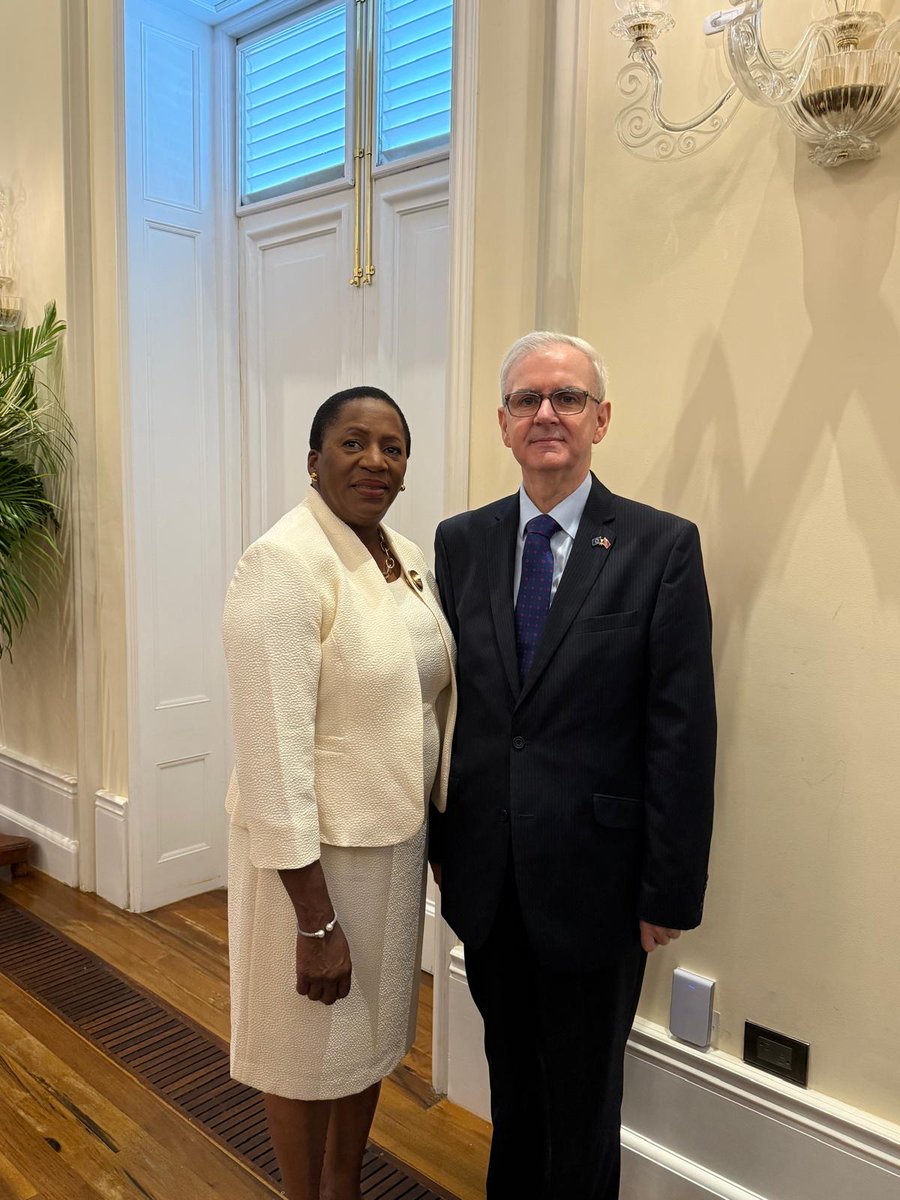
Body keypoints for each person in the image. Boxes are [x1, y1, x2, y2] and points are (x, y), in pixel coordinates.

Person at [429, 332, 716, 1200]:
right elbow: (451, 711)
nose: (546, 414)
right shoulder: (460, 542)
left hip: (600, 884)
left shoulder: (659, 547)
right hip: (488, 876)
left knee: (583, 1103)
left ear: (601, 418)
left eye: (566, 398)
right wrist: (443, 841)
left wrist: (668, 890)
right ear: (504, 426)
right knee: (510, 1085)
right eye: (527, 399)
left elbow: (682, 727)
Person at [222, 386, 456, 1200]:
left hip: (391, 846)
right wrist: (313, 918)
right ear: (313, 460)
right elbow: (270, 757)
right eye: (353, 443)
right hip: (314, 864)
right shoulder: (283, 564)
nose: (375, 461)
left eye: (392, 447)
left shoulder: (404, 554)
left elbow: (424, 699)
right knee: (302, 1046)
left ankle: (344, 1184)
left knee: (365, 1040)